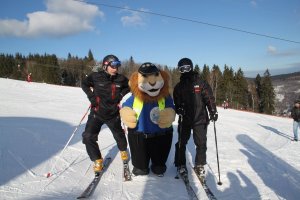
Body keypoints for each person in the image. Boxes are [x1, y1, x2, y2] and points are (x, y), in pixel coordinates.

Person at [120, 62, 175, 176]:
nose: (152, 82)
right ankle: (141, 166)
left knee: (159, 162)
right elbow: (126, 106)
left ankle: (158, 165)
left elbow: (171, 107)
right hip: (140, 136)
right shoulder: (135, 98)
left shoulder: (165, 97)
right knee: (140, 164)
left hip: (160, 135)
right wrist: (126, 113)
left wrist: (170, 113)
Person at [81, 54, 130, 174]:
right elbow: (84, 84)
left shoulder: (121, 79)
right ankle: (97, 160)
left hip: (113, 114)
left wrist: (121, 95)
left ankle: (123, 150)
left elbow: (129, 86)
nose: (116, 68)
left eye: (118, 65)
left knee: (119, 136)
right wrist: (92, 97)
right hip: (97, 113)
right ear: (105, 66)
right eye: (113, 66)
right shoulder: (96, 76)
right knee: (88, 136)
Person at [173, 58, 218, 179]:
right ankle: (181, 164)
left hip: (200, 118)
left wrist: (213, 111)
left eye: (187, 68)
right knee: (182, 142)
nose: (185, 71)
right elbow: (176, 103)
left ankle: (199, 165)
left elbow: (209, 98)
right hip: (185, 119)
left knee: (201, 142)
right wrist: (179, 109)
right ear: (179, 70)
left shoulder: (200, 83)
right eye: (182, 69)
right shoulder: (178, 87)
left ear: (191, 67)